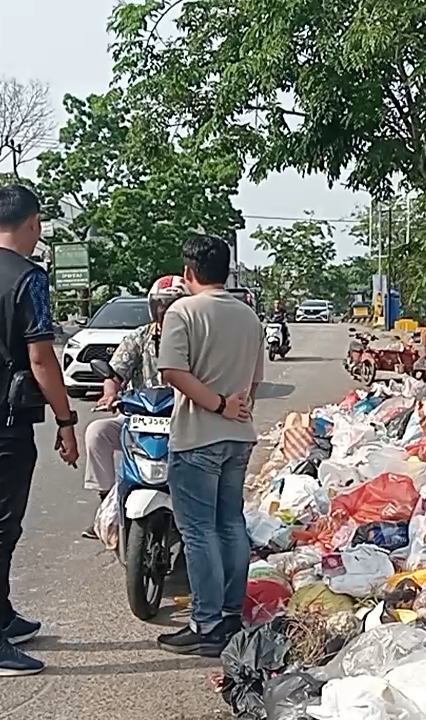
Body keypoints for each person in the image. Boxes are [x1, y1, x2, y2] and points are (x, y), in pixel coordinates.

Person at [0, 184, 81, 677]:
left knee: (2, 527)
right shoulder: (27, 277)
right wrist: (66, 420)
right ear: (34, 222)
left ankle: (1, 617)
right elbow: (41, 355)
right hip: (1, 423)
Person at [155, 233, 263, 657]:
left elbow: (172, 372)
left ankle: (207, 623)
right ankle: (231, 615)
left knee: (198, 532)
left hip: (199, 436)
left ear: (188, 272)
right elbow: (254, 381)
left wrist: (217, 405)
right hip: (239, 438)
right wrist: (235, 405)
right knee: (231, 525)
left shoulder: (183, 311)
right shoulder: (249, 317)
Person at [80, 275, 189, 539]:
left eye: (174, 305)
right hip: (139, 417)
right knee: (97, 432)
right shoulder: (139, 338)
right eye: (162, 305)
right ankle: (109, 504)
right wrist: (110, 395)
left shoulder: (197, 340)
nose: (167, 310)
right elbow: (114, 373)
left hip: (184, 419)